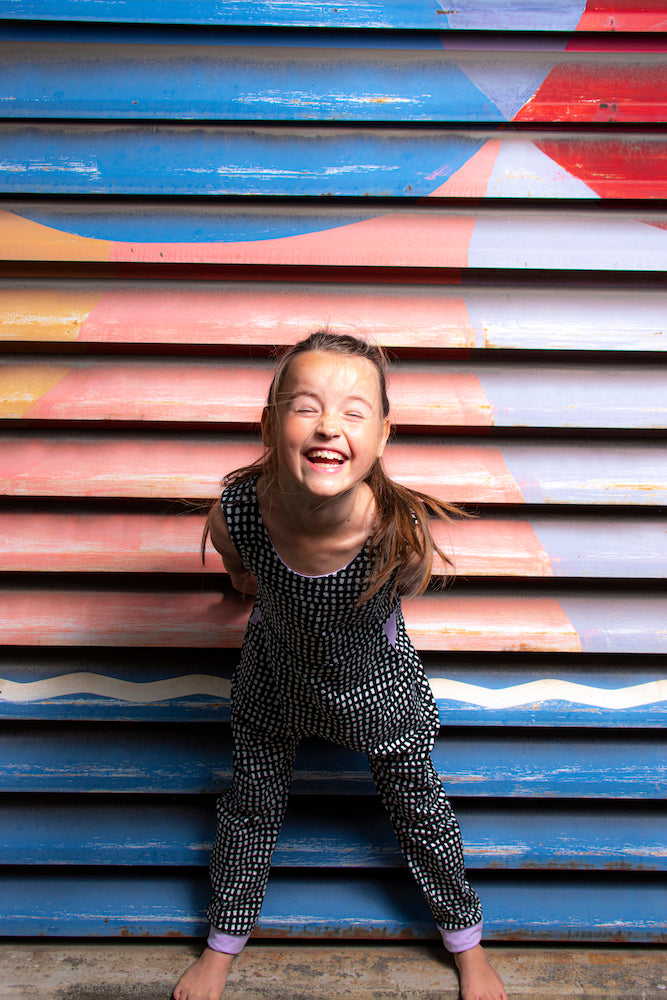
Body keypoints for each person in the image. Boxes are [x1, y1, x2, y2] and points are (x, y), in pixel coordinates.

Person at [173, 330, 508, 1000]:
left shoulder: (396, 532)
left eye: (353, 412)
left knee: (421, 810)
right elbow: (242, 571)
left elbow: (401, 594)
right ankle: (222, 944)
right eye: (306, 407)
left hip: (374, 689)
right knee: (248, 808)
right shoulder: (236, 514)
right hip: (275, 677)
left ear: (382, 436)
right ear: (268, 425)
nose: (329, 424)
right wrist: (253, 589)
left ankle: (466, 944)